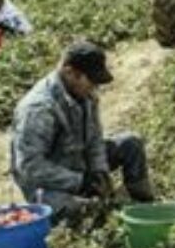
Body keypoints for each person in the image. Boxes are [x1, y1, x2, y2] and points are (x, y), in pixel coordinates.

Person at [10, 42, 154, 220]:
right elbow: (30, 167)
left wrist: (99, 172)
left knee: (130, 144)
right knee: (85, 212)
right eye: (91, 81)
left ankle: (144, 206)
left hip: (79, 164)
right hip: (47, 185)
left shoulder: (85, 95)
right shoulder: (39, 108)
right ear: (70, 72)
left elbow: (94, 140)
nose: (95, 88)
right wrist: (81, 182)